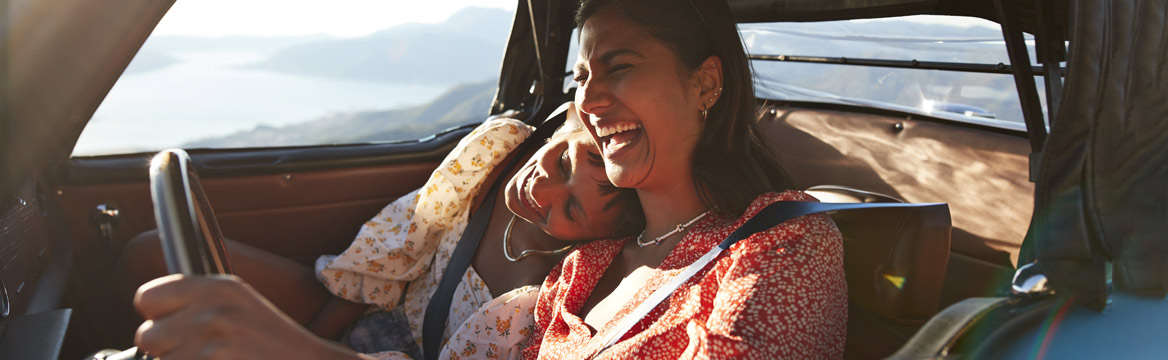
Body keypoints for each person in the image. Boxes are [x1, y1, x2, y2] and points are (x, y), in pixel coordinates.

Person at [126, 106, 644, 359]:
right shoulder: (500, 155)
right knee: (150, 255)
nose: (542, 189)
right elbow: (399, 249)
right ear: (564, 128)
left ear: (593, 236)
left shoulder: (560, 289)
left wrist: (302, 348)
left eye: (570, 208)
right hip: (369, 313)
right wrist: (317, 333)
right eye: (562, 161)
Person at [520, 0, 848, 359]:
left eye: (619, 68)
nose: (587, 100)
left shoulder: (780, 240)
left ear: (705, 84)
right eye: (581, 77)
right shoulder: (578, 272)